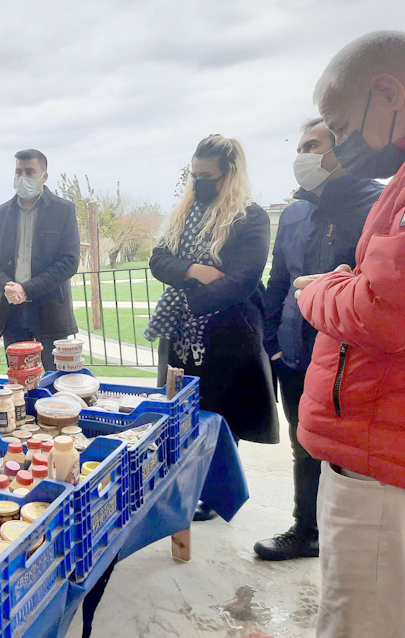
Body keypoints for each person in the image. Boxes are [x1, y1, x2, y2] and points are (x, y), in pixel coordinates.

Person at [294, 30, 405, 636]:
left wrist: (318, 291)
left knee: (360, 618)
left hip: (382, 459)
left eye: (339, 125)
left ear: (386, 93)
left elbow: (383, 311)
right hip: (378, 441)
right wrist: (349, 282)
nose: (338, 143)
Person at [256, 118, 383, 561]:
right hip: (294, 355)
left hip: (353, 360)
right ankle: (305, 530)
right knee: (304, 445)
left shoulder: (378, 205)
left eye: (313, 145)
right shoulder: (294, 212)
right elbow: (278, 283)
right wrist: (273, 343)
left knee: (350, 457)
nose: (302, 155)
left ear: (342, 150)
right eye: (301, 145)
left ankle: (352, 545)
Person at [145, 134, 279, 521]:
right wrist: (194, 270)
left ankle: (215, 491)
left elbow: (244, 278)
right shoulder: (184, 213)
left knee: (222, 417)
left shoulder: (249, 217)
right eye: (194, 174)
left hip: (228, 333)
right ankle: (187, 481)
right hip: (181, 335)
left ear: (229, 174)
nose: (198, 182)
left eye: (207, 175)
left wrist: (191, 298)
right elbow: (158, 260)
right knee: (185, 409)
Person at [0, 149, 80, 370]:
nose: (22, 177)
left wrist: (27, 289)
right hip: (12, 312)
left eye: (30, 172)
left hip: (50, 313)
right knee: (18, 383)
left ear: (44, 176)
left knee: (54, 380)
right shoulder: (1, 214)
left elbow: (69, 261)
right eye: (18, 172)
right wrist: (8, 286)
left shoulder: (63, 210)